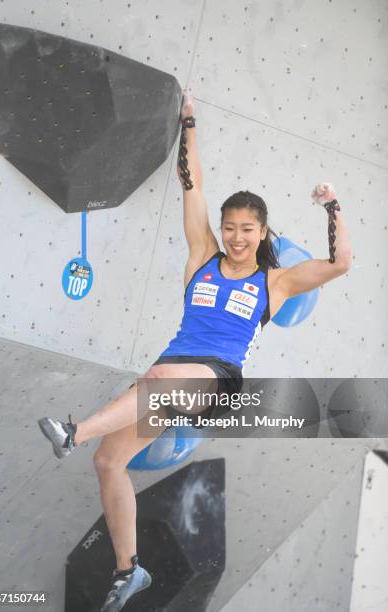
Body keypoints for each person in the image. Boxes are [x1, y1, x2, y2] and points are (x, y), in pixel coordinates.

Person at [37, 89, 352, 611]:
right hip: (169, 376)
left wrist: (331, 204)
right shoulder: (202, 256)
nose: (236, 237)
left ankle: (71, 431)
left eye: (247, 230)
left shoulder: (275, 283)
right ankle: (128, 570)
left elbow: (340, 263)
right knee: (109, 462)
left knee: (153, 387)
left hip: (217, 379)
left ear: (262, 232)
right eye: (230, 227)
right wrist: (189, 121)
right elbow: (193, 182)